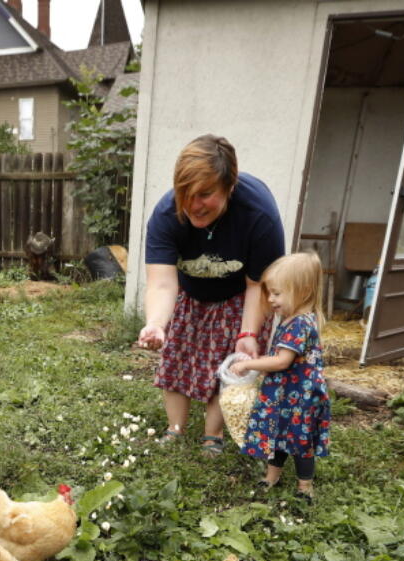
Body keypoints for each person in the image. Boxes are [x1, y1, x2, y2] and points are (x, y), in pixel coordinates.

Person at [137, 134, 285, 455]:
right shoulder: (167, 215)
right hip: (191, 292)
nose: (192, 204)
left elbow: (258, 285)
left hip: (241, 294)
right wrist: (157, 323)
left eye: (205, 194)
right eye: (185, 194)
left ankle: (212, 435)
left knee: (229, 363)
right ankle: (175, 429)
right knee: (177, 357)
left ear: (230, 186)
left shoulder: (260, 215)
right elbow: (162, 283)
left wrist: (248, 333)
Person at [230, 251, 330, 502]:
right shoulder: (292, 319)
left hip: (299, 398)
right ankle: (271, 476)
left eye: (277, 293)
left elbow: (282, 361)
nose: (271, 299)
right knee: (279, 435)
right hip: (289, 393)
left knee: (300, 440)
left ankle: (304, 487)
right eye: (270, 293)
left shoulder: (299, 324)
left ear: (303, 290)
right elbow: (286, 361)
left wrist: (249, 365)